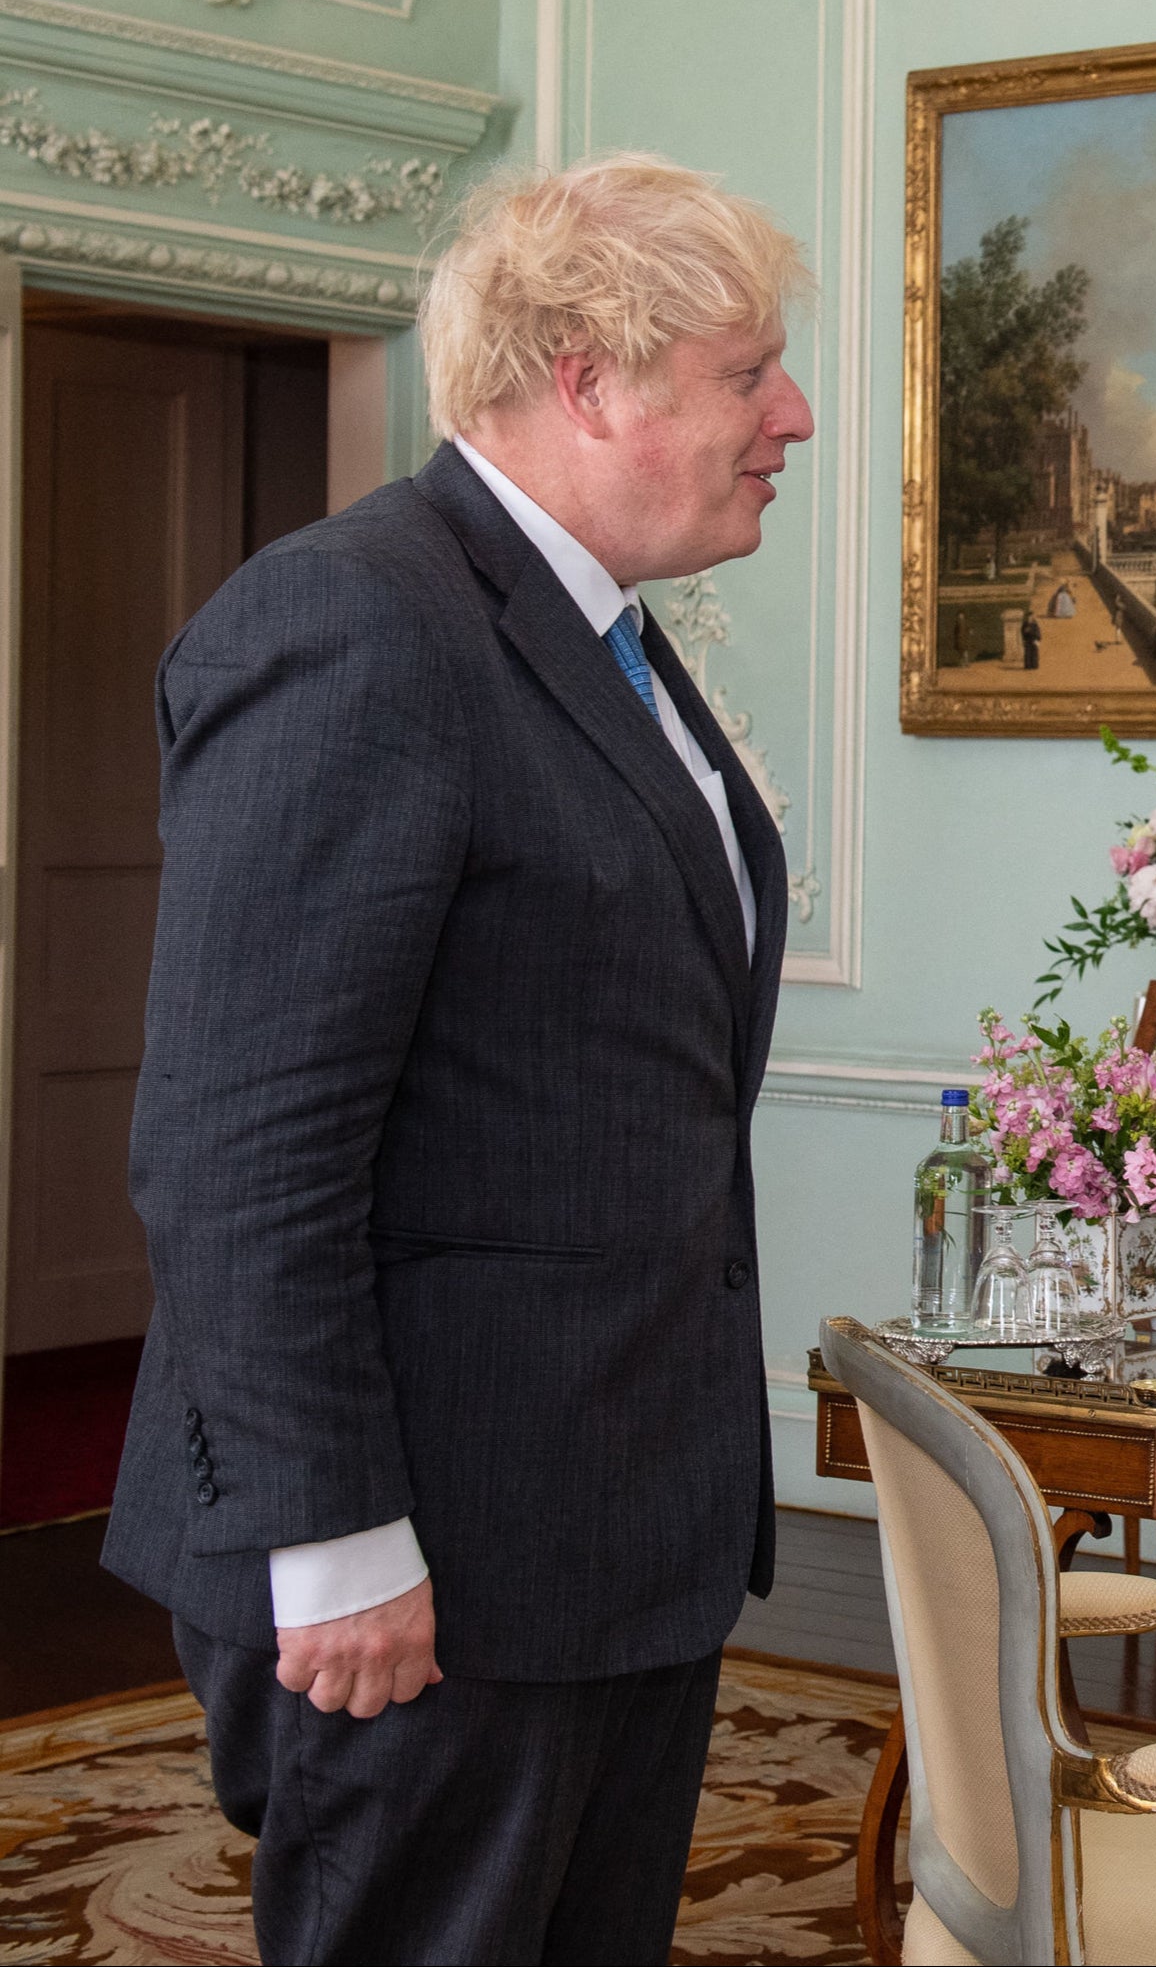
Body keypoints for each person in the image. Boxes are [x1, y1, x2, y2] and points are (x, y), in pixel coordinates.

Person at [104, 152, 813, 1965]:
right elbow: (237, 1147)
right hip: (423, 1554)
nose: (791, 417)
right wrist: (336, 1537)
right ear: (589, 379)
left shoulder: (600, 636)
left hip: (600, 1532)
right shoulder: (356, 622)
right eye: (748, 373)